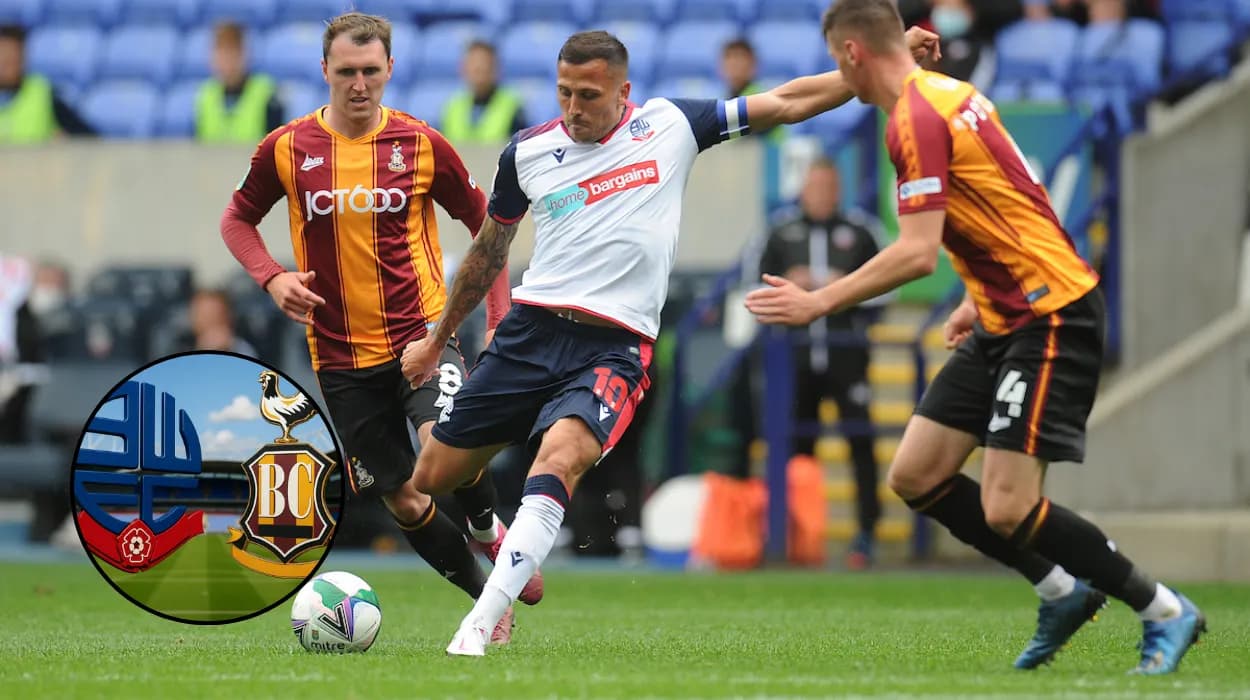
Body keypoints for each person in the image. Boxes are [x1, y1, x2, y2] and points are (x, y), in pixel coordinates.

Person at [399, 26, 941, 657]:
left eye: (590, 96)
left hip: (614, 345)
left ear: (623, 91)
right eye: (564, 93)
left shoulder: (671, 126)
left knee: (560, 458)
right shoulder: (526, 152)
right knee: (432, 474)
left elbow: (787, 101)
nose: (574, 109)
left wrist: (883, 59)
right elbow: (489, 251)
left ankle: (481, 621)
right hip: (531, 331)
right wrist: (439, 341)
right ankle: (494, 532)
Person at [745, 0, 1204, 675]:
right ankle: (1061, 591)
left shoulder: (913, 119)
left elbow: (914, 254)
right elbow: (1015, 197)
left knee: (1007, 503)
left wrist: (820, 299)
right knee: (918, 475)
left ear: (850, 55)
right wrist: (975, 292)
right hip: (1002, 313)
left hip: (1050, 316)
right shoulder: (953, 93)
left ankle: (1164, 609)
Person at [219, 12, 540, 647]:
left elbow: (492, 230)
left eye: (371, 71)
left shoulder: (421, 144)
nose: (359, 84)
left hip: (421, 338)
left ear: (390, 69)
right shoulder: (287, 148)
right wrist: (271, 277)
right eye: (346, 72)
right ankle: (487, 598)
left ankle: (484, 525)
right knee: (403, 501)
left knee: (440, 455)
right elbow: (236, 220)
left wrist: (497, 320)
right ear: (325, 72)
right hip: (339, 358)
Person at [758, 157, 885, 570]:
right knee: (796, 449)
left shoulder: (863, 232)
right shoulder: (779, 232)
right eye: (815, 187)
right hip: (793, 359)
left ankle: (866, 534)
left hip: (848, 355)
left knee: (860, 441)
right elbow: (752, 289)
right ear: (803, 189)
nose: (822, 195)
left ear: (839, 190)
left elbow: (888, 291)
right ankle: (795, 535)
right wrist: (791, 288)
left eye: (829, 187)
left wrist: (839, 288)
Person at [0, 24, 94, 143]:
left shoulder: (42, 93)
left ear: (22, 58)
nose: (3, 65)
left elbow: (87, 139)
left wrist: (66, 143)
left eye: (10, 59)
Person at [196, 22, 284, 144]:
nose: (226, 60)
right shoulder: (206, 94)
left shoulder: (266, 93)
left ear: (244, 54)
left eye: (231, 52)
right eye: (221, 52)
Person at [440, 40, 527, 145]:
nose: (479, 69)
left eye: (484, 64)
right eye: (474, 64)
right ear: (463, 68)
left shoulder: (512, 107)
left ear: (495, 68)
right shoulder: (452, 107)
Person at [187, 289, 257, 356]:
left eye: (216, 316)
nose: (211, 323)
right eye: (205, 316)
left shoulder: (241, 348)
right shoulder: (181, 346)